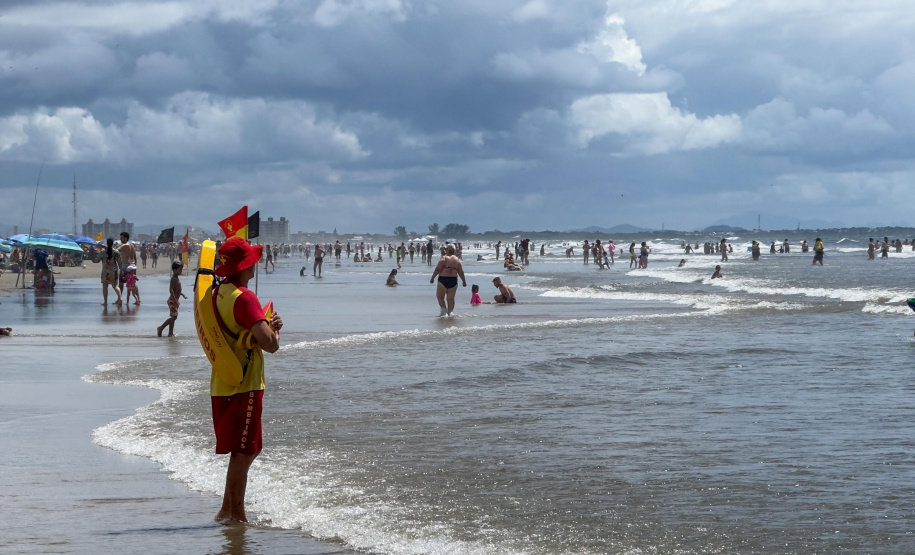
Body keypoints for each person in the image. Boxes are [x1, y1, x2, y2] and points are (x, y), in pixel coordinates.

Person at [209, 237, 283, 523]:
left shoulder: (217, 294)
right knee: (243, 452)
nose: (255, 263)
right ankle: (237, 517)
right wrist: (275, 330)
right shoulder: (245, 298)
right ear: (244, 266)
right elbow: (270, 345)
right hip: (245, 384)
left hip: (222, 382)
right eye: (251, 259)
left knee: (248, 448)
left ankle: (226, 510)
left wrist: (259, 330)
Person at [430, 244, 466, 317]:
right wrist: (464, 281)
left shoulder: (444, 258)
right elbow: (461, 272)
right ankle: (450, 313)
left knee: (440, 296)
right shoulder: (457, 260)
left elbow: (437, 269)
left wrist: (432, 277)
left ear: (447, 250)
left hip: (443, 279)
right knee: (451, 298)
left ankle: (443, 311)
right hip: (453, 280)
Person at [157, 262, 186, 336]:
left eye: (181, 270)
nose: (181, 271)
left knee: (173, 317)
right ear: (174, 270)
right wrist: (175, 301)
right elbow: (171, 290)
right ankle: (161, 328)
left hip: (175, 301)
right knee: (174, 317)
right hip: (172, 301)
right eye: (179, 270)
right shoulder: (173, 279)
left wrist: (182, 294)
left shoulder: (177, 278)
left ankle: (170, 333)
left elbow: (177, 290)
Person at [94, 238, 122, 305]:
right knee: (115, 286)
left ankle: (105, 302)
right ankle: (119, 299)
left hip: (105, 272)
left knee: (105, 287)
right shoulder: (116, 252)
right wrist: (121, 270)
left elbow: (96, 260)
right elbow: (120, 263)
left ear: (107, 243)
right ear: (112, 244)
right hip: (114, 271)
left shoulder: (103, 252)